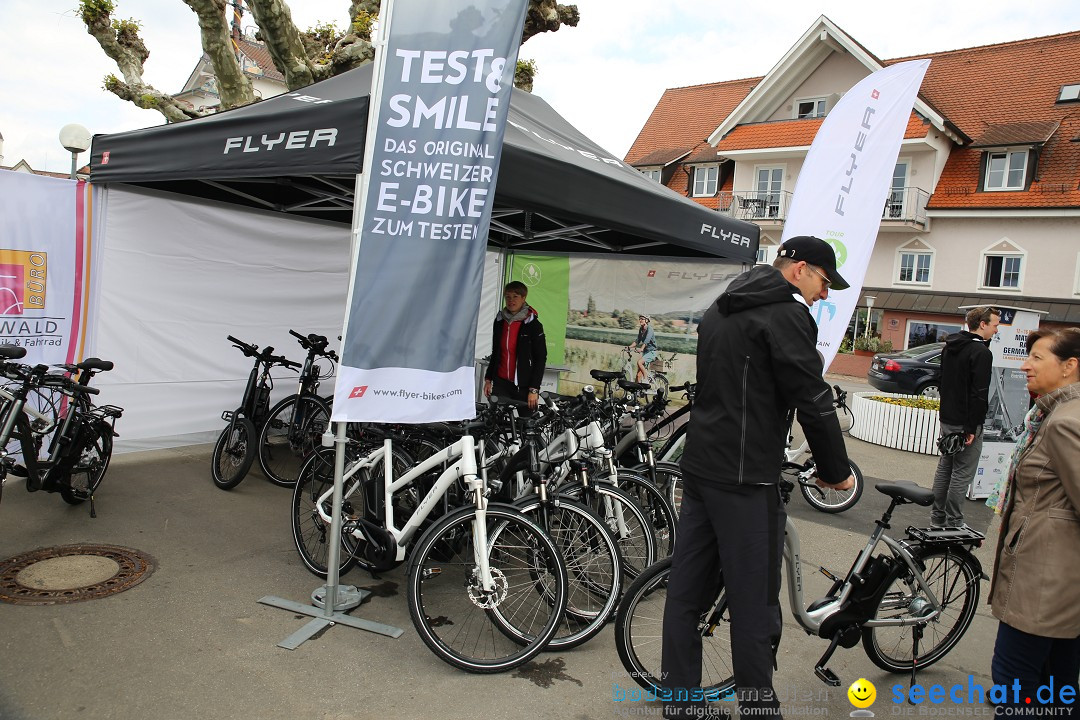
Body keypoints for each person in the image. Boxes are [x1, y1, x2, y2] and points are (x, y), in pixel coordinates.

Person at [661, 235, 855, 719]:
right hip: (746, 479)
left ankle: (679, 702)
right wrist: (837, 472)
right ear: (801, 269)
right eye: (824, 282)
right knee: (752, 602)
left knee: (686, 591)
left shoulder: (722, 305)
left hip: (702, 465)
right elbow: (812, 397)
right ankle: (758, 709)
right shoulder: (787, 314)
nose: (825, 294)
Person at [988, 327, 1080, 716]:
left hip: (1044, 582)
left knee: (1013, 681)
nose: (1024, 365)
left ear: (1069, 366)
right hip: (1061, 584)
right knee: (1058, 683)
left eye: (1037, 358)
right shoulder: (1057, 412)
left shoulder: (1065, 422)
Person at [930, 306, 1000, 528]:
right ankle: (955, 523)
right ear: (983, 324)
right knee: (961, 473)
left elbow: (942, 381)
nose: (996, 330)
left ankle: (937, 519)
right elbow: (979, 393)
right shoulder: (981, 353)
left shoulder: (950, 347)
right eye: (995, 325)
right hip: (966, 422)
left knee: (946, 467)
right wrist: (972, 427)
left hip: (948, 418)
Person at [484, 281, 546, 410]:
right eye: (508, 297)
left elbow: (540, 358)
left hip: (524, 386)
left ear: (524, 298)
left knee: (528, 426)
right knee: (495, 424)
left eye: (515, 296)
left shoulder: (533, 324)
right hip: (501, 384)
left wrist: (534, 389)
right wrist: (488, 379)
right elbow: (496, 352)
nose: (511, 300)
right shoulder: (500, 320)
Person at [628, 314, 658, 383]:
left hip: (652, 352)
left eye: (642, 319)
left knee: (639, 362)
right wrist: (629, 347)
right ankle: (635, 391)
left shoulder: (649, 329)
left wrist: (641, 349)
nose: (640, 320)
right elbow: (637, 340)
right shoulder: (641, 329)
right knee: (638, 375)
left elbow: (647, 340)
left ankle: (645, 377)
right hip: (646, 352)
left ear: (646, 320)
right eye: (640, 319)